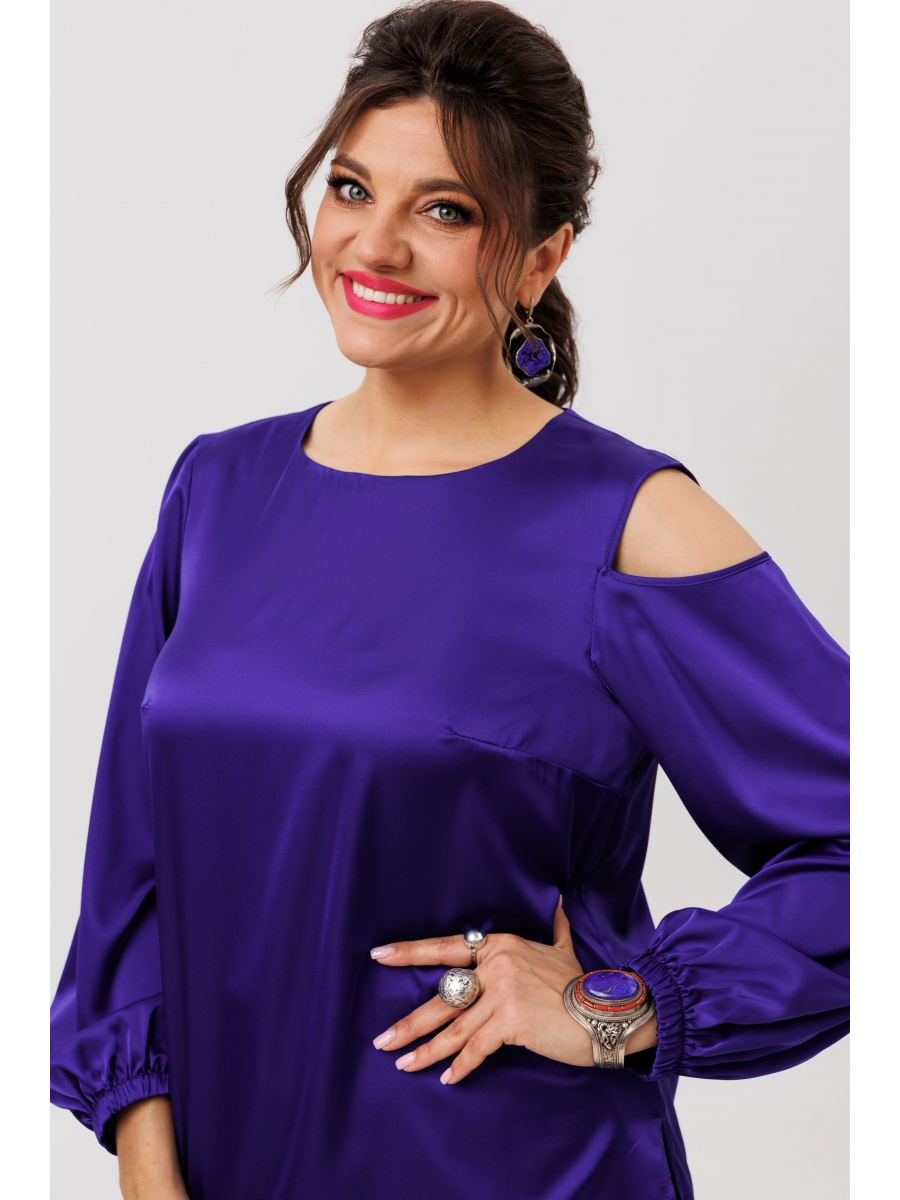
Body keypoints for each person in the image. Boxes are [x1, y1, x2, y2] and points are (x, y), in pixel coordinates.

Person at [49, 3, 850, 1198]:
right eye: (351, 188)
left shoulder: (628, 523)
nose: (373, 247)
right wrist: (148, 1167)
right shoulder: (216, 490)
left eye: (445, 211)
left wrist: (620, 1006)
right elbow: (132, 885)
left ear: (541, 257)